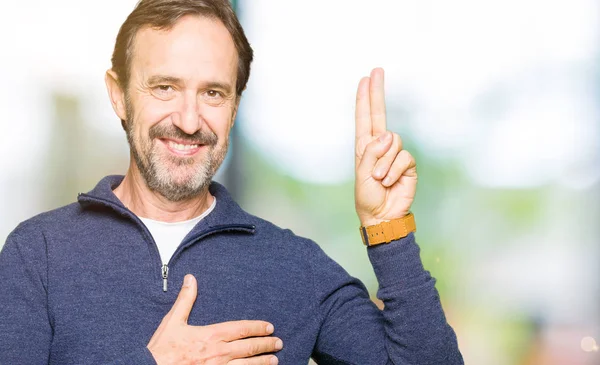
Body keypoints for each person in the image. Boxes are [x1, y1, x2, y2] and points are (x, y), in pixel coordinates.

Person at [0, 0, 463, 364]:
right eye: (165, 87)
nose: (188, 119)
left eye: (213, 93)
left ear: (235, 108)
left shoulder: (294, 266)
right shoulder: (36, 254)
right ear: (119, 95)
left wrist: (389, 229)